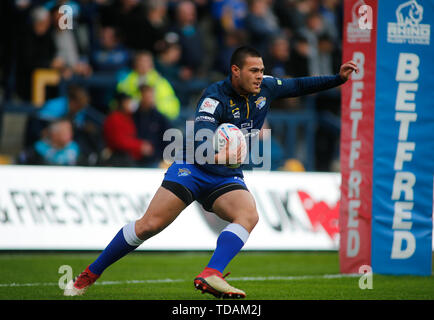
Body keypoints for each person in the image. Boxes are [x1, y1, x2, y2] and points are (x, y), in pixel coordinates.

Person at [64, 46, 358, 298]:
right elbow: (202, 135)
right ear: (235, 71)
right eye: (253, 70)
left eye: (262, 70)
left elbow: (299, 85)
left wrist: (337, 79)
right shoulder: (213, 97)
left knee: (249, 215)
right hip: (193, 169)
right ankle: (90, 273)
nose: (259, 76)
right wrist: (220, 153)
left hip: (226, 176)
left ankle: (211, 272)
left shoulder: (265, 87)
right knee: (147, 226)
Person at [102, 93, 154, 167]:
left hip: (131, 157)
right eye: (128, 102)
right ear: (122, 103)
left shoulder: (129, 117)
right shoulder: (114, 118)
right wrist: (140, 146)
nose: (131, 104)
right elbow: (119, 141)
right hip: (119, 158)